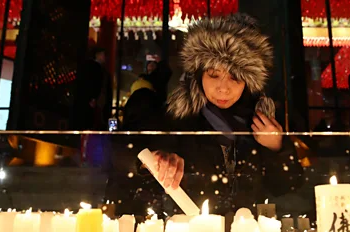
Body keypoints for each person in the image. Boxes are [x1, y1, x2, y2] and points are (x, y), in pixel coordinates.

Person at [116, 14, 303, 217]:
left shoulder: (262, 121)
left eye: (235, 78)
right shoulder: (177, 116)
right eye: (213, 75)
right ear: (199, 74)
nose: (223, 89)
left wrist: (277, 147)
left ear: (249, 82)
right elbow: (123, 156)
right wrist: (154, 159)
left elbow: (285, 187)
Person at [73, 47, 112, 130]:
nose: (105, 57)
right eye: (103, 54)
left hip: (85, 102)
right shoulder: (97, 69)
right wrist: (93, 97)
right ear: (98, 55)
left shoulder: (85, 67)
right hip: (93, 102)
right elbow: (95, 84)